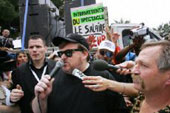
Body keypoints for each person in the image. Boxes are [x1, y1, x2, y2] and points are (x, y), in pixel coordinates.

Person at [32, 33, 127, 113]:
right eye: (61, 53)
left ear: (84, 54)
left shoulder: (103, 76)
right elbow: (37, 110)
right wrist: (41, 98)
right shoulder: (52, 77)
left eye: (68, 53)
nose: (63, 57)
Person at [82, 40, 170, 113]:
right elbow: (135, 90)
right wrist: (108, 83)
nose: (134, 71)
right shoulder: (148, 93)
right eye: (136, 63)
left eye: (144, 65)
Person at [10, 35, 56, 113]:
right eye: (31, 47)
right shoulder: (18, 71)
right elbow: (14, 96)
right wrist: (12, 98)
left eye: (38, 46)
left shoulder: (56, 68)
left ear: (45, 48)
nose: (34, 50)